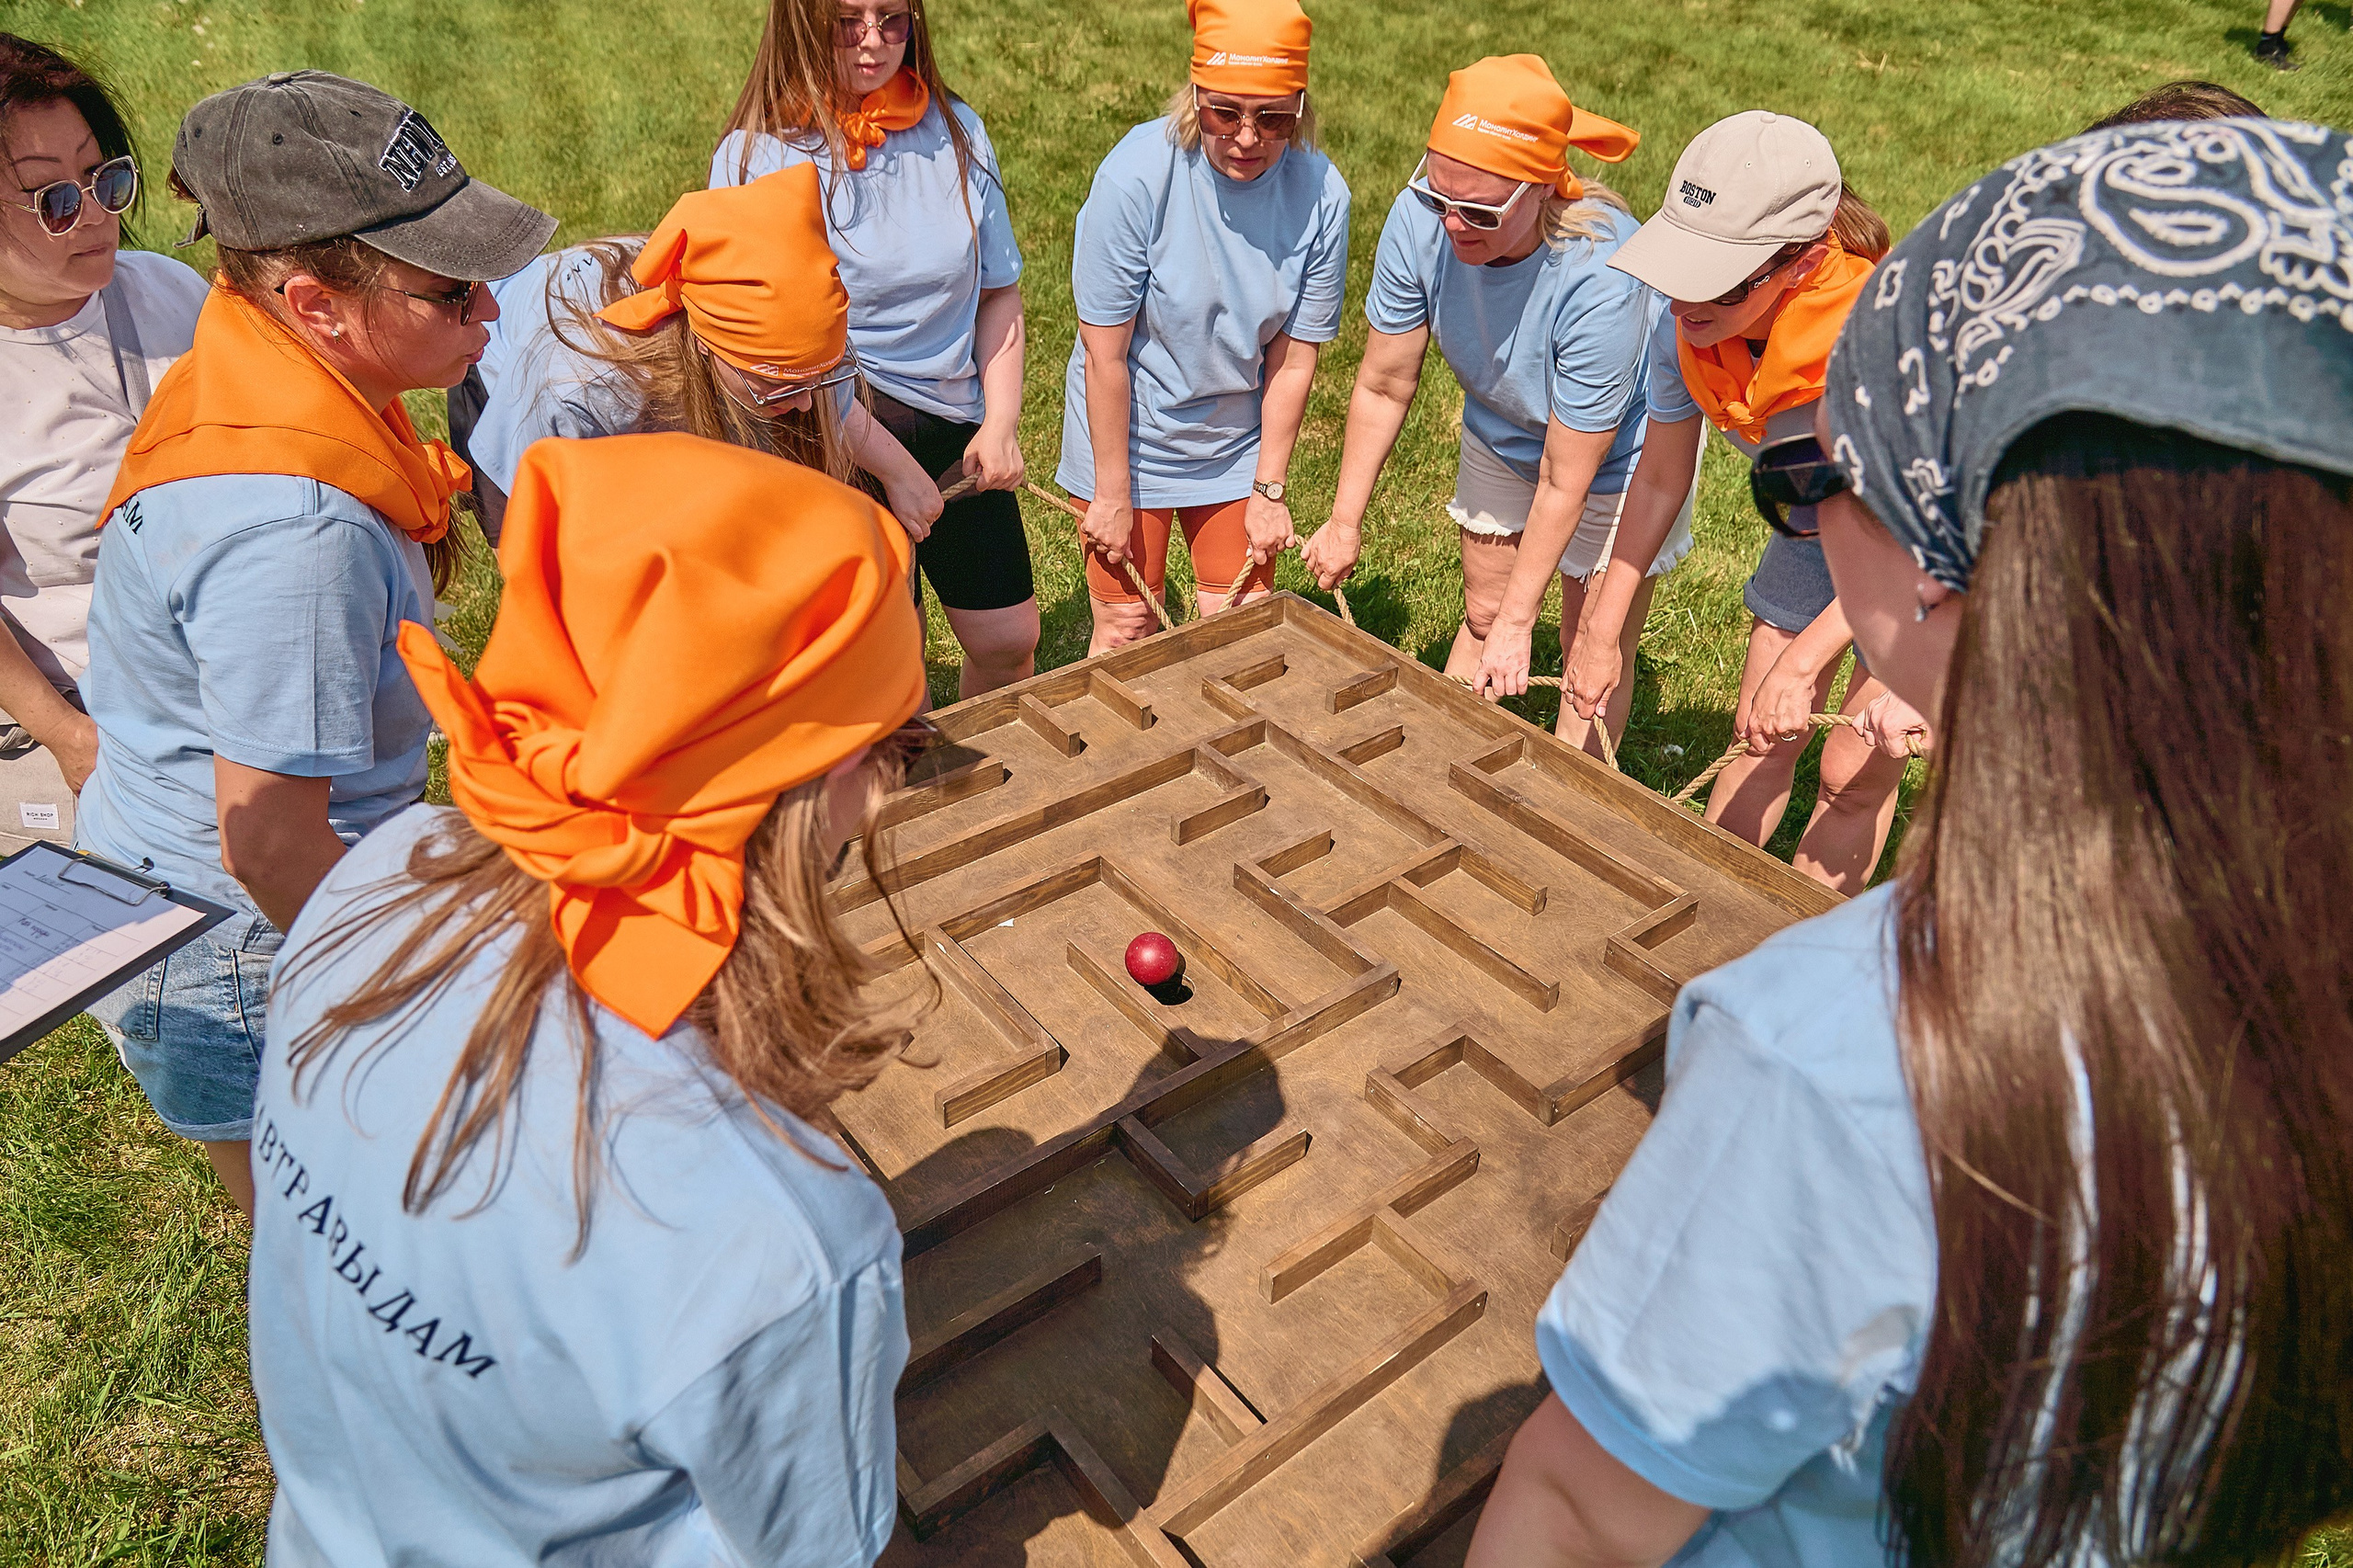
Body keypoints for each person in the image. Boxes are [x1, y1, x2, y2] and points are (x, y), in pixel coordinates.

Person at [1466, 119, 2353, 1568]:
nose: (1810, 507)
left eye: (1823, 478)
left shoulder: (1833, 1065)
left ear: (1943, 558)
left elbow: (1574, 1510)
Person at [248, 432, 925, 1564]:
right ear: (823, 777)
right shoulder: (781, 1240)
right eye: (894, 734)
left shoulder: (373, 875)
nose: (898, 774)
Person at [77, 72, 554, 1216]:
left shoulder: (263, 370)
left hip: (196, 873)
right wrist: (412, 984)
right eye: (451, 292)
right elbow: (272, 842)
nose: (491, 314)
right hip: (237, 940)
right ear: (315, 304)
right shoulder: (293, 532)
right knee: (323, 1224)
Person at [1300, 55, 1672, 755]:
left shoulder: (1601, 274)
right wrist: (1345, 520)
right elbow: (1384, 381)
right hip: (1504, 425)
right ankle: (1440, 783)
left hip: (1622, 456)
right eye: (1440, 198)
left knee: (1583, 643)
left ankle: (1564, 816)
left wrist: (1518, 622)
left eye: (1477, 211)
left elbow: (1568, 475)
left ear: (1540, 190)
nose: (1451, 225)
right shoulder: (1422, 220)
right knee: (1483, 612)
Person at [1588, 111, 1903, 892]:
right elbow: (1661, 478)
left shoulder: (1881, 348)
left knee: (1851, 770)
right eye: (1679, 267)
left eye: (1717, 278)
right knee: (1757, 734)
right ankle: (1705, 920)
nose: (1686, 301)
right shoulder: (1689, 329)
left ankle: (1803, 951)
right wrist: (1601, 629)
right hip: (1814, 523)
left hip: (1927, 550)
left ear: (1797, 264)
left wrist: (1802, 664)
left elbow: (1916, 544)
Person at [713, 0, 1034, 698]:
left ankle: (1007, 788)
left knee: (1010, 642)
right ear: (801, 22)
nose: (872, 42)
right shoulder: (755, 156)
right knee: (890, 666)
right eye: (847, 21)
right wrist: (891, 469)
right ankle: (905, 803)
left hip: (951, 417)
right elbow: (773, 357)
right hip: (829, 433)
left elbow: (998, 292)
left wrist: (1000, 420)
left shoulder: (958, 130)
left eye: (892, 20)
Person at [1056, 0, 1349, 653]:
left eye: (1273, 117)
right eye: (1225, 112)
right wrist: (1111, 492)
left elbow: (1294, 360)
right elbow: (1105, 357)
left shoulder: (1325, 196)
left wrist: (1269, 489)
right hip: (1131, 434)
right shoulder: (1134, 177)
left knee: (1242, 632)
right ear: (1195, 97)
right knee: (1128, 628)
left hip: (1234, 441)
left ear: (1300, 109)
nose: (1248, 138)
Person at [460, 163, 943, 545]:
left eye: (814, 380)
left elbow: (820, 396)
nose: (803, 403)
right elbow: (530, 538)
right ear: (709, 348)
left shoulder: (797, 335)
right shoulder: (579, 387)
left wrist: (903, 475)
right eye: (782, 384)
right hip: (501, 368)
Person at [0, 35, 207, 854]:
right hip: (76, 734)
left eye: (103, 176)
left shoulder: (171, 289)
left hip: (222, 701)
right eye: (49, 197)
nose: (93, 214)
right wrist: (66, 737)